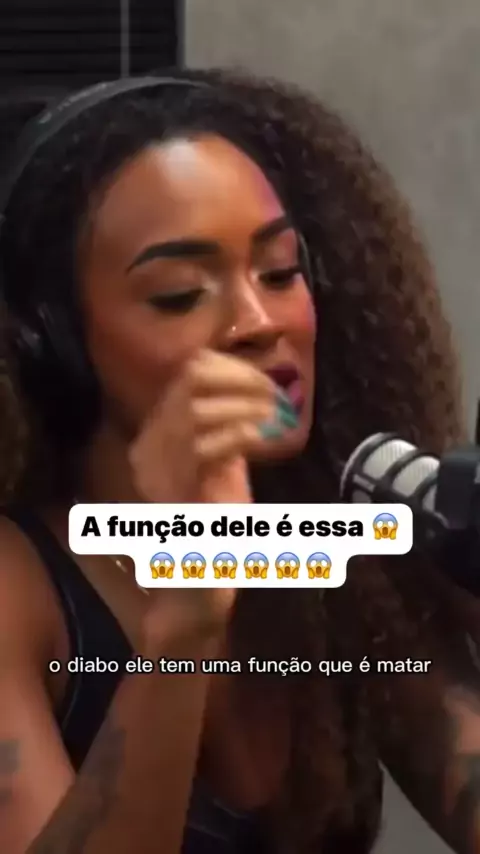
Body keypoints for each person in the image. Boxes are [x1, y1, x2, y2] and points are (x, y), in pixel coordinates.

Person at [0, 66, 478, 854]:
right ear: (54, 344)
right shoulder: (19, 590)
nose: (258, 321)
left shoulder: (327, 555)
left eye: (281, 273)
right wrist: (186, 612)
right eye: (180, 293)